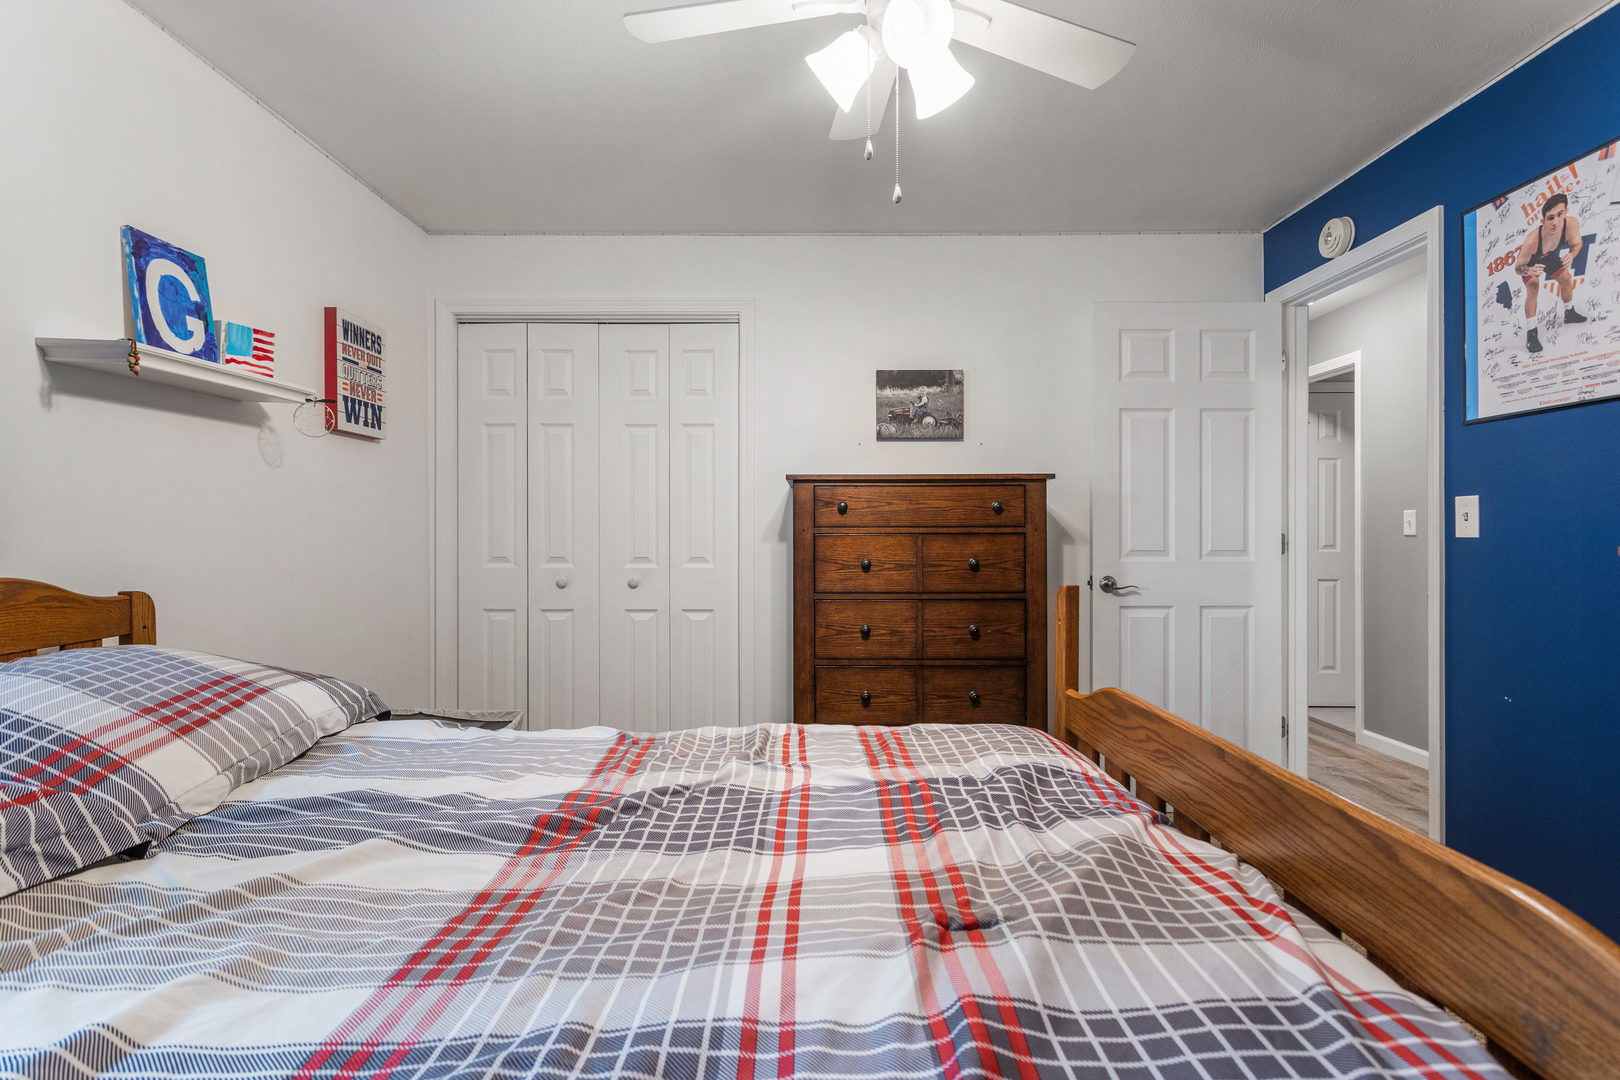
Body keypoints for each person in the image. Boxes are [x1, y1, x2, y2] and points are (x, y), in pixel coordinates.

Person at [1513, 192, 1586, 354]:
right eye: (1550, 218)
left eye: (1560, 215)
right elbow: (1518, 267)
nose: (1556, 222)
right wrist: (1528, 270)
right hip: (1531, 261)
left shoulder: (1571, 224)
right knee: (1533, 286)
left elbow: (1577, 243)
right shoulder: (1532, 240)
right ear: (1543, 221)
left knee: (1566, 279)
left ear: (1566, 212)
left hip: (1548, 255)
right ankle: (1531, 334)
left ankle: (1569, 312)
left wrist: (1572, 255)